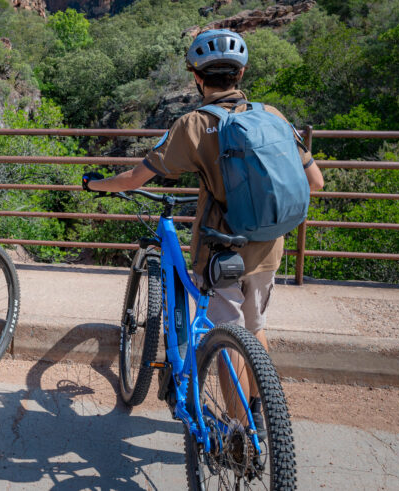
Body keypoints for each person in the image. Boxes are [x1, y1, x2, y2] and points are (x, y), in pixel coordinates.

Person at [82, 29, 324, 431]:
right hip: (270, 244)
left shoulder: (194, 125)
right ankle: (263, 419)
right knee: (255, 328)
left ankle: (238, 432)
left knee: (225, 337)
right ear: (241, 73)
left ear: (197, 77)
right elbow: (315, 181)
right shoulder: (273, 115)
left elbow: (136, 177)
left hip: (220, 251)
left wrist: (95, 184)